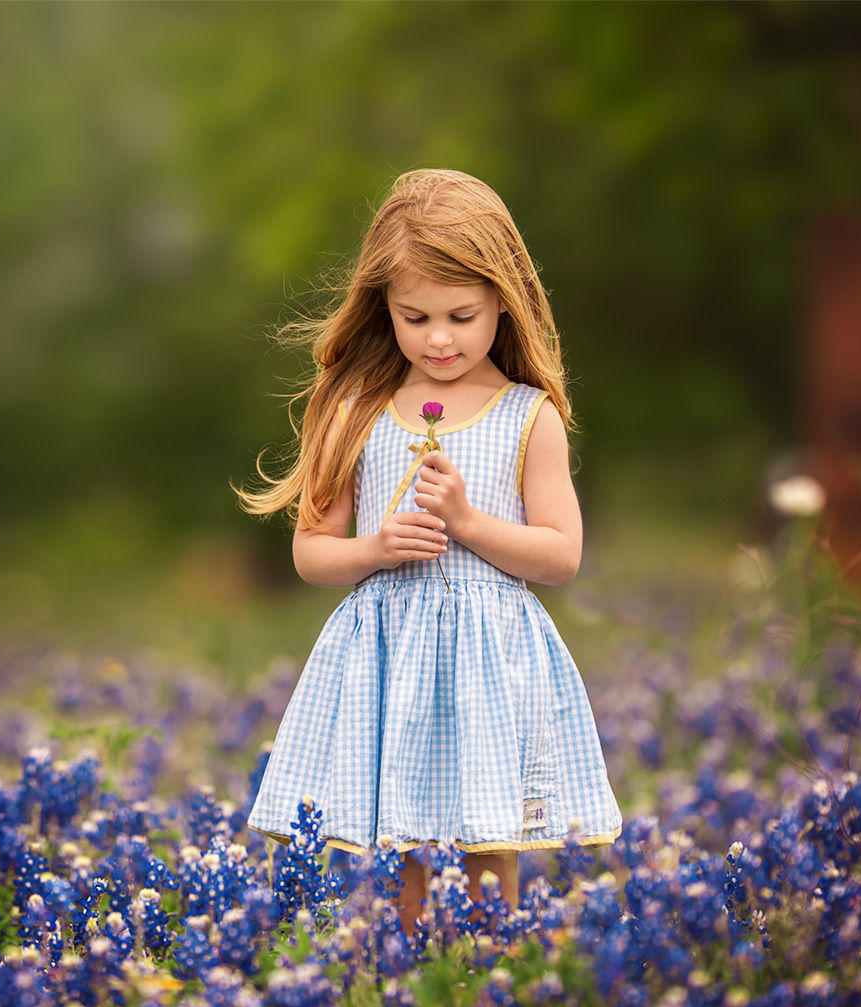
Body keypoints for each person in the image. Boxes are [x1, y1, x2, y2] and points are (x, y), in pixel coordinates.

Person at [234, 168, 623, 938]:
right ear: (382, 305)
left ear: (503, 301)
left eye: (461, 314)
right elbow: (313, 553)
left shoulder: (527, 415)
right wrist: (376, 546)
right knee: (402, 846)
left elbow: (561, 554)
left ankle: (488, 990)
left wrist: (469, 522)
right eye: (415, 316)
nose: (439, 337)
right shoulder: (357, 410)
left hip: (490, 662)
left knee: (489, 840)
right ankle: (415, 978)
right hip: (393, 658)